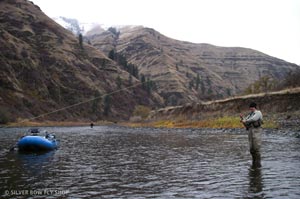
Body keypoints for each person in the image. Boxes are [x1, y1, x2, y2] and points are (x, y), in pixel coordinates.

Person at [240, 102, 263, 167]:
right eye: (250, 108)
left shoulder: (258, 113)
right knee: (251, 149)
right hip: (250, 131)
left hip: (257, 131)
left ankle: (258, 164)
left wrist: (245, 120)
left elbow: (253, 119)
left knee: (256, 148)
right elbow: (245, 123)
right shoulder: (250, 114)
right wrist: (242, 119)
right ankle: (254, 163)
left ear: (255, 107)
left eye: (252, 107)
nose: (251, 109)